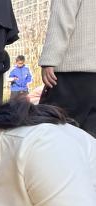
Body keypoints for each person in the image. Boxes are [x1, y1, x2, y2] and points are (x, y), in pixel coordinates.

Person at [39, 0, 96, 138]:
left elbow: (62, 19)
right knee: (91, 140)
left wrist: (49, 59)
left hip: (73, 71)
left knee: (54, 133)